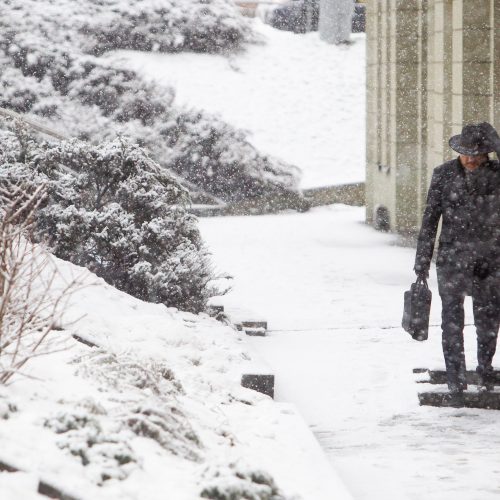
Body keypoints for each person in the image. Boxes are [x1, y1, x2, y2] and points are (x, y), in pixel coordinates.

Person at [414, 122, 500, 406]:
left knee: (488, 319)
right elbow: (429, 221)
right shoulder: (443, 175)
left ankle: (485, 372)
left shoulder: (497, 175)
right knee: (452, 321)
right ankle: (455, 377)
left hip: (491, 259)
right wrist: (422, 262)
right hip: (453, 258)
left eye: (478, 153)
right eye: (466, 154)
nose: (471, 159)